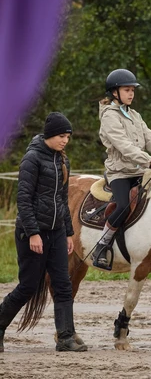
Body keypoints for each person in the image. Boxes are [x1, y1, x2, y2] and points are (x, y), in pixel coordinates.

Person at [0, 112, 87, 353]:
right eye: (61, 136)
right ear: (49, 135)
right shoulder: (32, 159)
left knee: (63, 285)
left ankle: (65, 337)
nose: (65, 141)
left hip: (57, 232)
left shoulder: (63, 161)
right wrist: (33, 233)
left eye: (68, 136)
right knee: (28, 286)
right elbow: (23, 199)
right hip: (32, 232)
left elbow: (62, 198)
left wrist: (69, 232)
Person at [92, 68, 151, 270]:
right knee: (123, 205)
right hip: (120, 173)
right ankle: (102, 245)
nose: (131, 93)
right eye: (127, 89)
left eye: (133, 90)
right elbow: (125, 146)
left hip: (141, 173)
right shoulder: (109, 117)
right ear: (115, 92)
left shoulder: (135, 115)